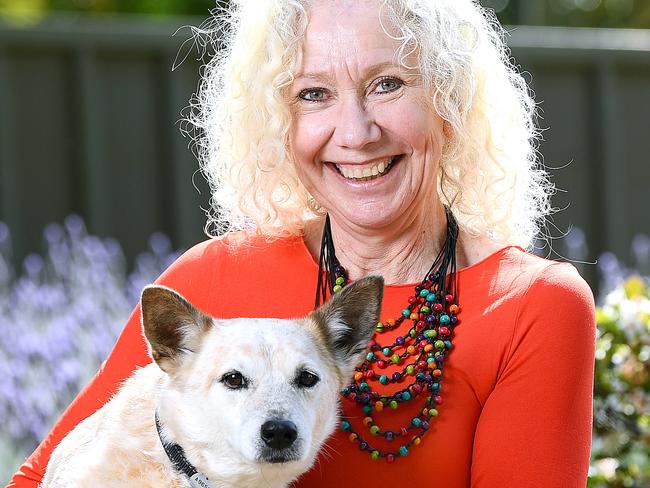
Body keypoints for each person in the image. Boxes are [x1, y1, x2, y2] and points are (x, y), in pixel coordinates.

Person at [8, 0, 596, 486]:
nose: (357, 132)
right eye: (314, 94)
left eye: (387, 84)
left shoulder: (531, 305)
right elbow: (41, 478)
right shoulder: (212, 280)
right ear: (274, 121)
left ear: (449, 101)